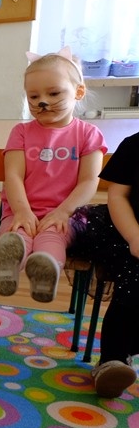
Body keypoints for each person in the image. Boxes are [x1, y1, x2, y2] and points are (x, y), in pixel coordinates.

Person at [0, 48, 105, 303]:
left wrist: (63, 212)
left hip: (66, 214)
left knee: (53, 237)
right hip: (20, 211)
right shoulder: (21, 132)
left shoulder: (88, 134)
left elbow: (89, 181)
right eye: (34, 96)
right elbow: (13, 175)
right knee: (15, 237)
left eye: (53, 93)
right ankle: (7, 267)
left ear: (78, 92)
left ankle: (45, 270)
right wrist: (22, 211)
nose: (42, 101)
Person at [67, 133, 139, 398]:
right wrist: (134, 236)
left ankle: (127, 350)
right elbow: (118, 196)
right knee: (133, 279)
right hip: (125, 227)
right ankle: (112, 360)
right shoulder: (134, 145)